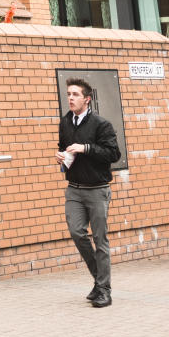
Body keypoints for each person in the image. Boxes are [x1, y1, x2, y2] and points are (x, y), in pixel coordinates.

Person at [56, 77, 121, 308]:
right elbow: (62, 148)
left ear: (87, 99)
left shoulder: (101, 124)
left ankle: (104, 289)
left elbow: (114, 154)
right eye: (69, 94)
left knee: (100, 240)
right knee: (76, 233)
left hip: (97, 190)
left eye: (75, 94)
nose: (70, 98)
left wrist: (85, 148)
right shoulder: (65, 123)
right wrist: (61, 157)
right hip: (74, 189)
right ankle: (99, 280)